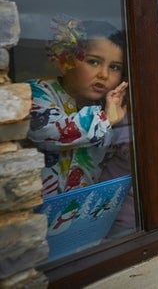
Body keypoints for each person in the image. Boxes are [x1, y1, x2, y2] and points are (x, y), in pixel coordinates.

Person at [27, 19, 129, 198]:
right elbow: (44, 132)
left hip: (81, 211)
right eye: (94, 62)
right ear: (66, 61)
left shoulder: (107, 105)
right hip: (35, 212)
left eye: (114, 67)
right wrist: (105, 119)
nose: (104, 75)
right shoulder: (38, 92)